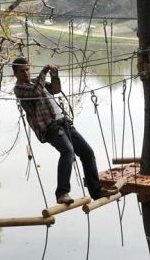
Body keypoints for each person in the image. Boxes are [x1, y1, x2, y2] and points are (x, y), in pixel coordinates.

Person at [12, 57, 118, 204]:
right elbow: (35, 92)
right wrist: (44, 71)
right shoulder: (20, 89)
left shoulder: (37, 82)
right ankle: (62, 193)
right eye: (22, 71)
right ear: (15, 74)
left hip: (64, 123)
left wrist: (54, 75)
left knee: (87, 152)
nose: (26, 73)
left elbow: (56, 90)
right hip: (50, 127)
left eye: (27, 69)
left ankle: (96, 191)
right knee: (68, 151)